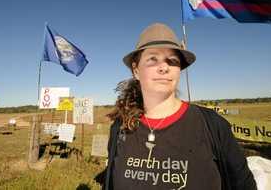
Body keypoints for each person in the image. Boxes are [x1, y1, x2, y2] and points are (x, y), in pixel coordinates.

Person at [101, 23, 256, 190]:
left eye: (172, 60)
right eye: (153, 59)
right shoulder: (120, 127)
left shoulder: (213, 125)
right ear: (136, 70)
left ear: (179, 70)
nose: (164, 67)